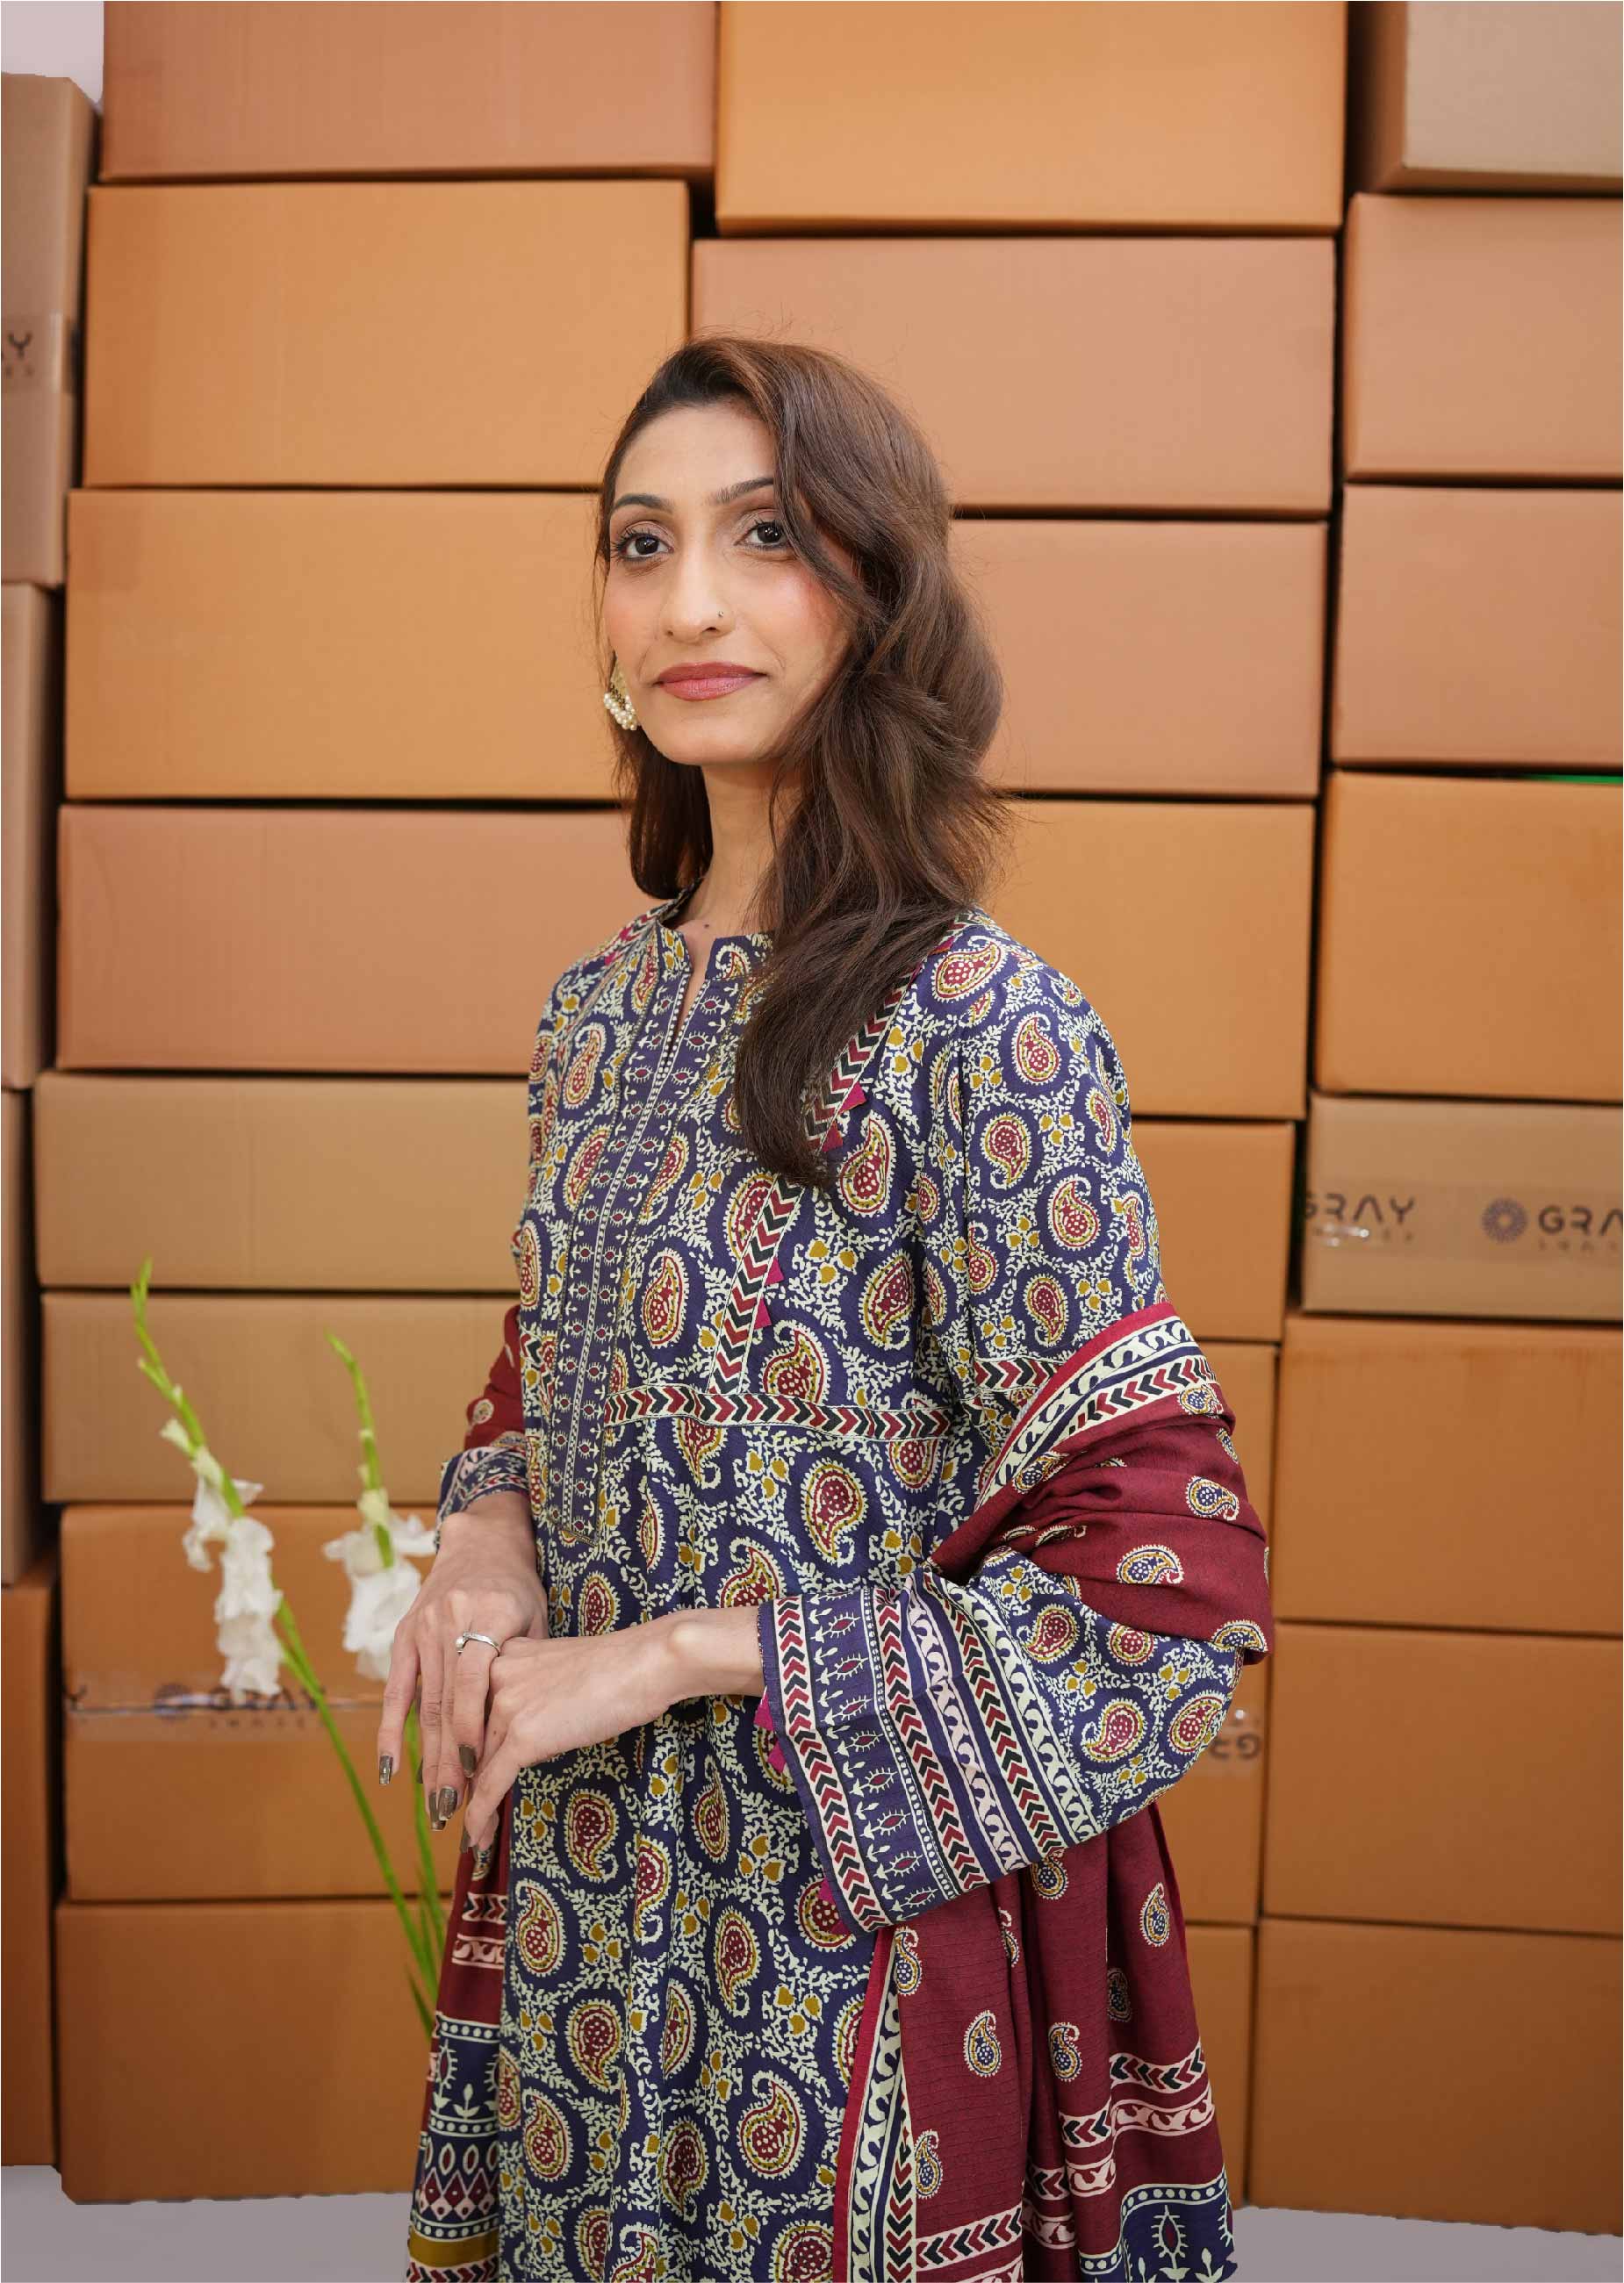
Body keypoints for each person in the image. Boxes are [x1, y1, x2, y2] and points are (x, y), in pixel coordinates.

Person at [388, 335, 1274, 2283]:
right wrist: (482, 1528)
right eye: (640, 543)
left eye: (766, 534)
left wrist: (681, 1652)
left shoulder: (982, 1022)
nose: (688, 597)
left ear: (874, 592)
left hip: (849, 1951)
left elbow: (1169, 1589)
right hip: (585, 1927)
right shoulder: (594, 1017)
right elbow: (558, 1364)